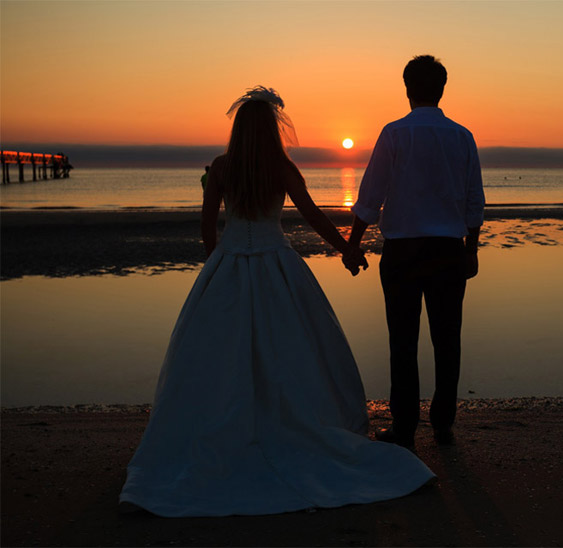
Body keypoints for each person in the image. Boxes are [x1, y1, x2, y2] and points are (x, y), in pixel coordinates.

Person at [119, 86, 435, 517]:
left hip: (230, 263)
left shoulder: (222, 168)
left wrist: (215, 262)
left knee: (219, 353)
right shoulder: (281, 168)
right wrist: (346, 248)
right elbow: (312, 214)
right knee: (291, 347)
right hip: (276, 263)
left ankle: (223, 428)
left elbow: (208, 225)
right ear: (271, 130)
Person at [346, 55, 485, 449]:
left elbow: (371, 197)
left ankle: (405, 427)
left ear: (407, 89)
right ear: (441, 89)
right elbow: (474, 200)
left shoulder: (394, 134)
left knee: (402, 340)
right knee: (447, 338)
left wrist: (353, 245)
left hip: (403, 253)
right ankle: (443, 423)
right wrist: (471, 249)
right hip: (447, 250)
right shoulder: (461, 136)